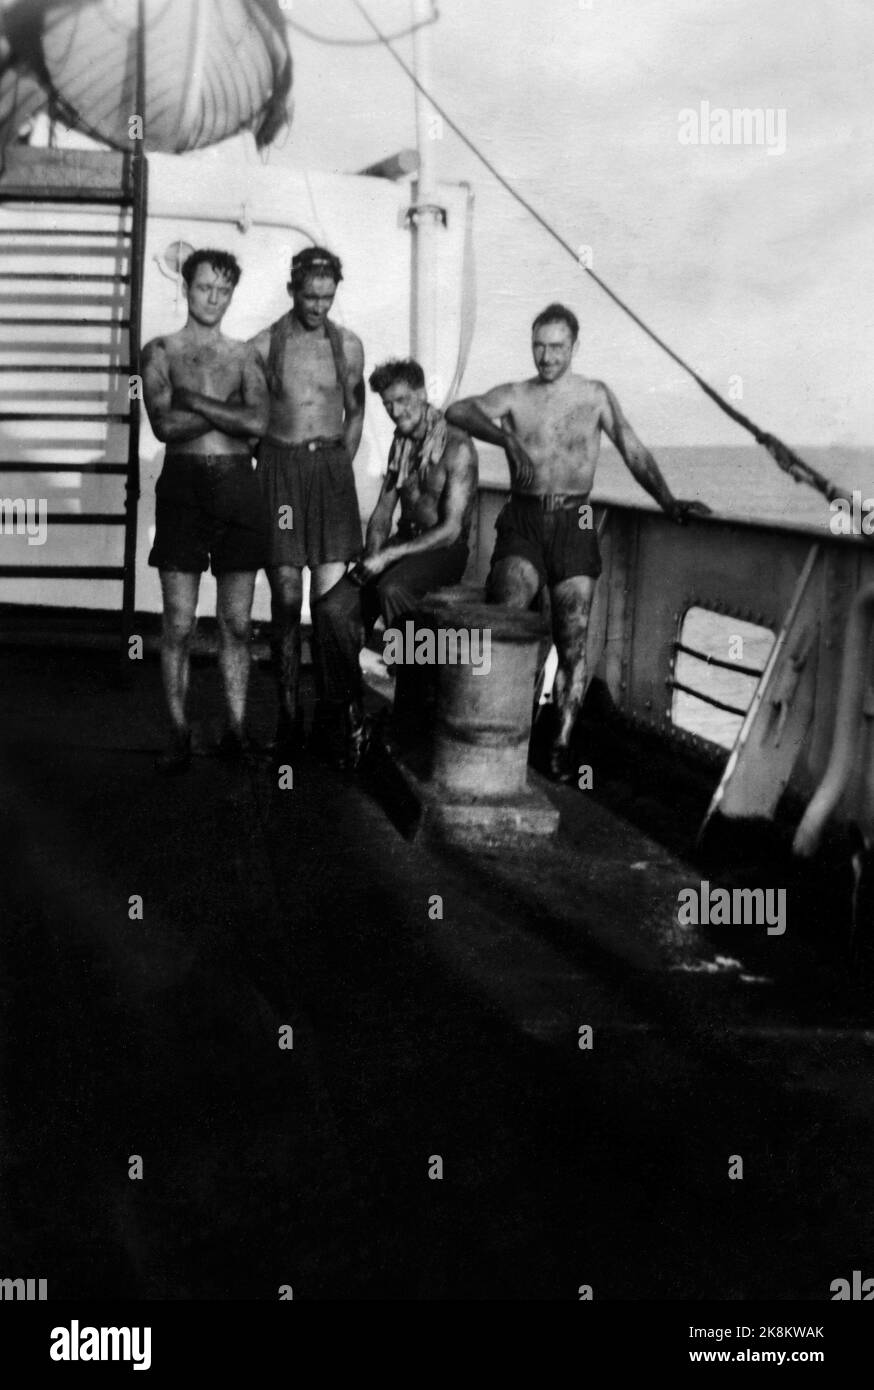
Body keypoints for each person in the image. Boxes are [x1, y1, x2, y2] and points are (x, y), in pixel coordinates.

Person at [446, 302, 709, 781]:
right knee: (509, 621)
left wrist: (669, 502)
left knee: (572, 639)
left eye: (557, 347)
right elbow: (457, 410)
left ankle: (561, 748)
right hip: (523, 519)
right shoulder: (515, 395)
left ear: (574, 346)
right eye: (539, 347)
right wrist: (505, 440)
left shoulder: (594, 395)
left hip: (576, 519)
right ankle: (510, 734)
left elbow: (632, 448)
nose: (546, 357)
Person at [312, 358, 478, 766]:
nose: (396, 411)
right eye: (388, 405)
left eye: (403, 402)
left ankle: (411, 719)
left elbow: (453, 529)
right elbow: (384, 512)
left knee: (394, 588)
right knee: (332, 609)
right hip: (404, 545)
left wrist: (389, 556)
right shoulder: (401, 445)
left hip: (443, 551)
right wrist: (372, 554)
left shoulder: (458, 447)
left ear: (423, 395)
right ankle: (354, 718)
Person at [143, 248, 270, 774]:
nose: (212, 299)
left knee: (237, 623)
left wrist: (194, 401)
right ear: (186, 288)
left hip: (240, 489)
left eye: (222, 291)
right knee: (177, 622)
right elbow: (163, 428)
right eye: (203, 288)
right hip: (184, 488)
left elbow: (259, 424)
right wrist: (229, 417)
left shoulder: (245, 356)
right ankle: (177, 730)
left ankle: (236, 730)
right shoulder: (159, 351)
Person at [249, 246, 365, 752]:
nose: (318, 306)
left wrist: (342, 460)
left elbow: (356, 409)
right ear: (292, 289)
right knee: (286, 599)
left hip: (330, 475)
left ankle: (331, 715)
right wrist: (268, 461)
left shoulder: (350, 345)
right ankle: (288, 714)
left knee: (331, 605)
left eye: (327, 297)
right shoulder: (263, 345)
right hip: (281, 473)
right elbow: (246, 415)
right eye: (310, 296)